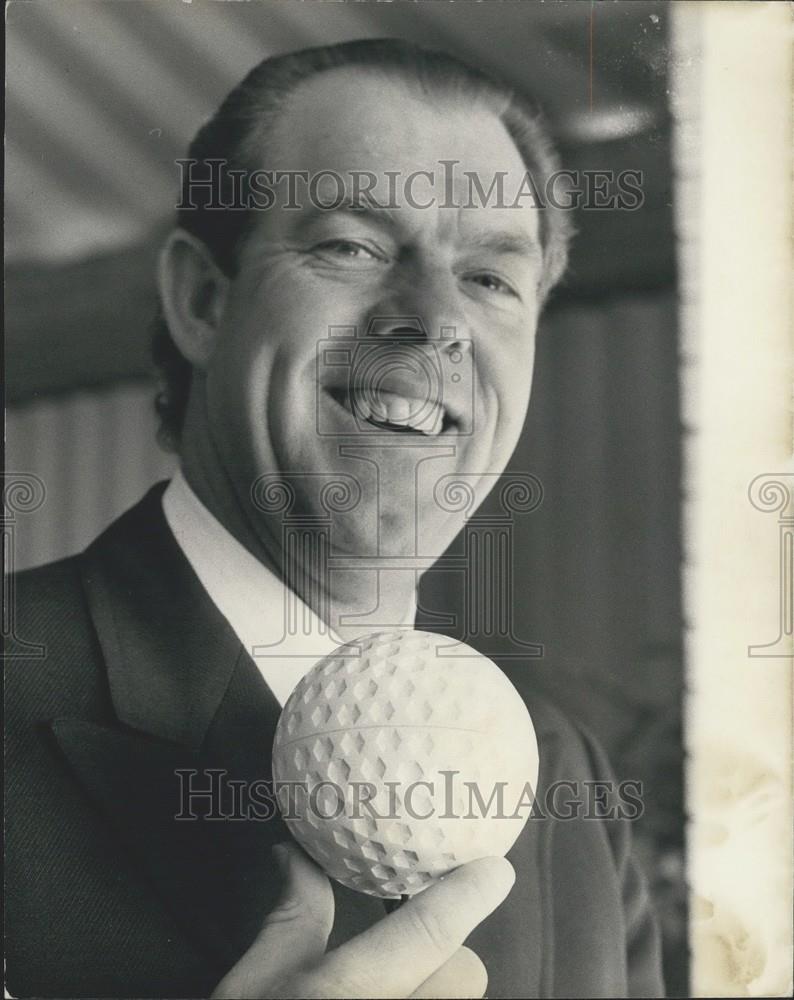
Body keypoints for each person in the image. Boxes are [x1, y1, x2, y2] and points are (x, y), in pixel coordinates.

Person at [5, 39, 664, 998]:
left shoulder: (568, 777)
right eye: (351, 246)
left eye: (490, 279)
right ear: (201, 301)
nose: (434, 320)